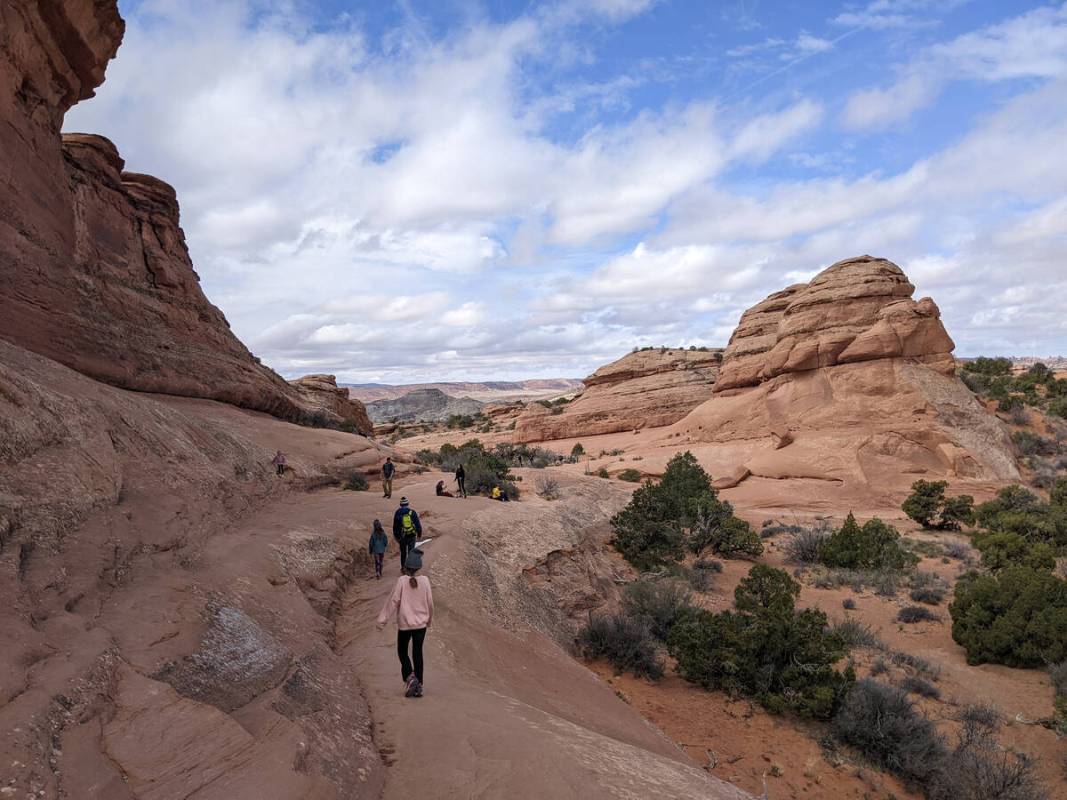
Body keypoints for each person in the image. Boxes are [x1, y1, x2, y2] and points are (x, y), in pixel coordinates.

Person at [376, 549, 432, 697]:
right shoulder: (425, 581)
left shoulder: (401, 581)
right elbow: (430, 603)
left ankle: (410, 677)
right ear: (419, 567)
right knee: (417, 653)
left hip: (405, 625)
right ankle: (419, 686)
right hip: (421, 625)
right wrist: (429, 620)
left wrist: (382, 620)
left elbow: (393, 601)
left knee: (402, 651)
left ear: (406, 567)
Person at [392, 497, 422, 568]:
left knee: (403, 553)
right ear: (407, 504)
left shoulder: (397, 513)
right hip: (412, 535)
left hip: (402, 537)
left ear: (400, 504)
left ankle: (403, 567)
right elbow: (418, 524)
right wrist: (419, 534)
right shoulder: (412, 512)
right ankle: (410, 567)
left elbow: (395, 526)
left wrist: (397, 536)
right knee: (411, 552)